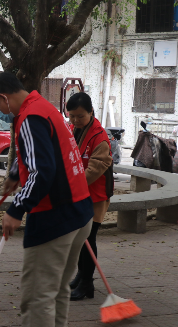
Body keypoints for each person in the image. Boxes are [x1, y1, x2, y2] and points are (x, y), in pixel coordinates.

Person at [0, 72, 93, 327]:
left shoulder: (29, 117)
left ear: (3, 98)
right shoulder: (43, 107)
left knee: (37, 294)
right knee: (57, 288)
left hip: (55, 217)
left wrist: (16, 209)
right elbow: (45, 154)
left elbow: (43, 171)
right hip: (79, 212)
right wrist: (17, 171)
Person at [66, 93, 114, 301]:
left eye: (80, 116)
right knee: (79, 238)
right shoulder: (73, 130)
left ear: (91, 112)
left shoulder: (99, 137)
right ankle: (81, 275)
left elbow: (96, 168)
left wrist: (73, 185)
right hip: (77, 192)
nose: (76, 121)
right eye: (72, 116)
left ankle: (87, 283)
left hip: (95, 194)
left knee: (88, 237)